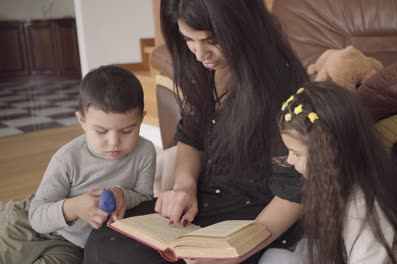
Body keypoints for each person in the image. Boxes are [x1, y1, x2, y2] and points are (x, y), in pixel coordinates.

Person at [84, 0, 308, 263]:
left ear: (244, 28)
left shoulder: (283, 86)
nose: (200, 54)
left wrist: (236, 250)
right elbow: (191, 135)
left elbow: (297, 190)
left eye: (212, 40)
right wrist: (184, 186)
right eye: (189, 39)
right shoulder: (204, 69)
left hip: (259, 216)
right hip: (207, 199)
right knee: (105, 239)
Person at [259, 82, 397, 263]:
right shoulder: (339, 185)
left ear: (330, 153)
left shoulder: (365, 205)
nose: (290, 160)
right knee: (275, 257)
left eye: (296, 153)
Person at [0, 65, 156, 264]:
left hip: (73, 244)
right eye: (101, 131)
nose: (114, 141)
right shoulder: (68, 157)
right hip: (29, 221)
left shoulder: (145, 152)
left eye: (127, 130)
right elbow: (37, 216)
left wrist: (123, 195)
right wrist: (73, 208)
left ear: (141, 120)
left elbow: (145, 198)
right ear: (82, 121)